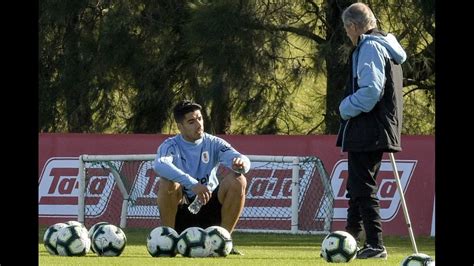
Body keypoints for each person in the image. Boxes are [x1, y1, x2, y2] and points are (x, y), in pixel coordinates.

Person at [336, 3, 407, 260]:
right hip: (378, 126)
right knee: (356, 185)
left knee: (363, 187)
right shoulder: (386, 46)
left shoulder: (369, 47)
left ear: (354, 26)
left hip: (369, 127)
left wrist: (345, 107)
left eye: (346, 29)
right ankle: (351, 238)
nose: (347, 34)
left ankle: (375, 244)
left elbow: (370, 92)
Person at [153, 100, 250, 255]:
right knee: (166, 182)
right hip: (183, 211)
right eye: (191, 121)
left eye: (199, 118)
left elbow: (240, 158)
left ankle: (222, 242)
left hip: (209, 207)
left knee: (238, 179)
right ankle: (170, 241)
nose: (198, 124)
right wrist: (193, 184)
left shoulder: (214, 142)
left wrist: (241, 163)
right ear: (180, 127)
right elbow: (159, 165)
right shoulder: (170, 145)